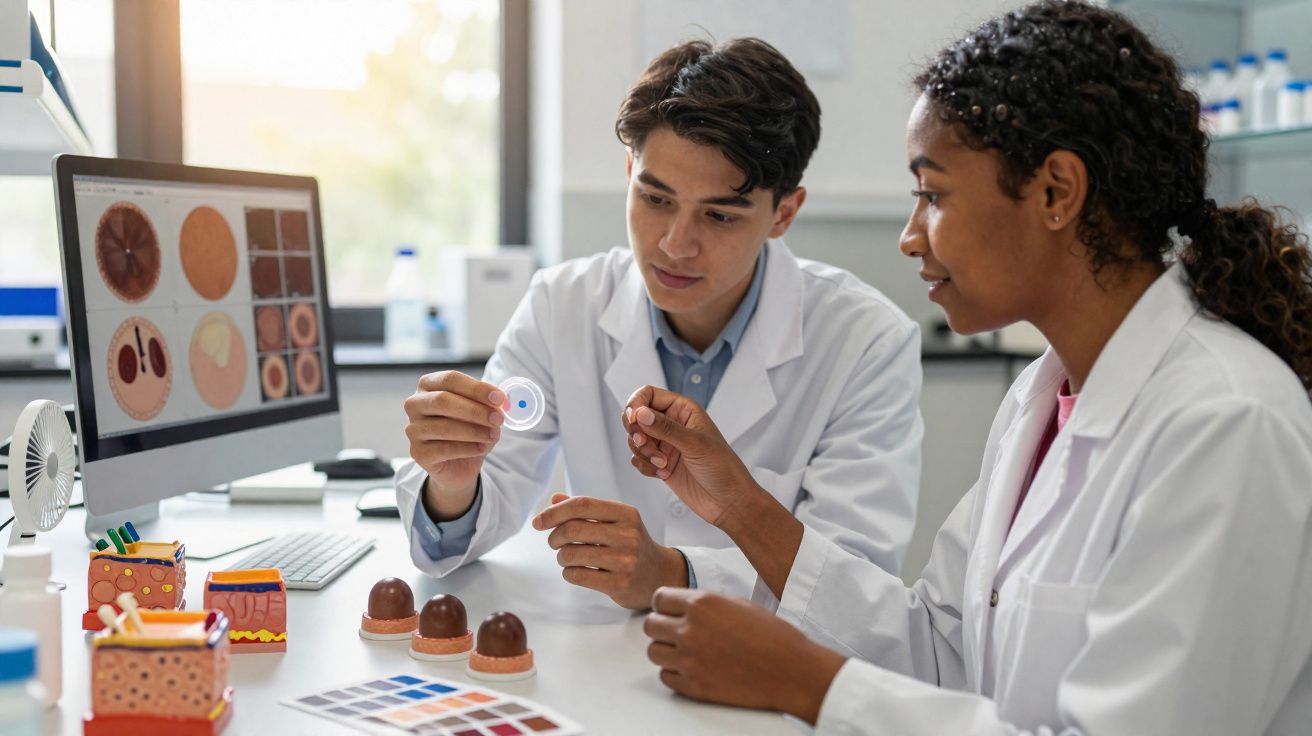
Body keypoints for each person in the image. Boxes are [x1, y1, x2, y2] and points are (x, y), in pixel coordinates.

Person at [627, 2, 1312, 732]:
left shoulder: (1228, 424)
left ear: (1056, 192)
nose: (909, 237)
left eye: (933, 194)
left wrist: (815, 685)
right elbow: (937, 644)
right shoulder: (1040, 400)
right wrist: (738, 504)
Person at [395, 38, 923, 610]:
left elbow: (854, 585)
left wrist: (674, 573)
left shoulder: (866, 342)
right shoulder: (561, 306)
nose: (675, 245)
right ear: (629, 173)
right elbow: (478, 512)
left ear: (784, 214)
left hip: (765, 675)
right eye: (655, 198)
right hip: (603, 664)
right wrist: (453, 481)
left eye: (719, 215)